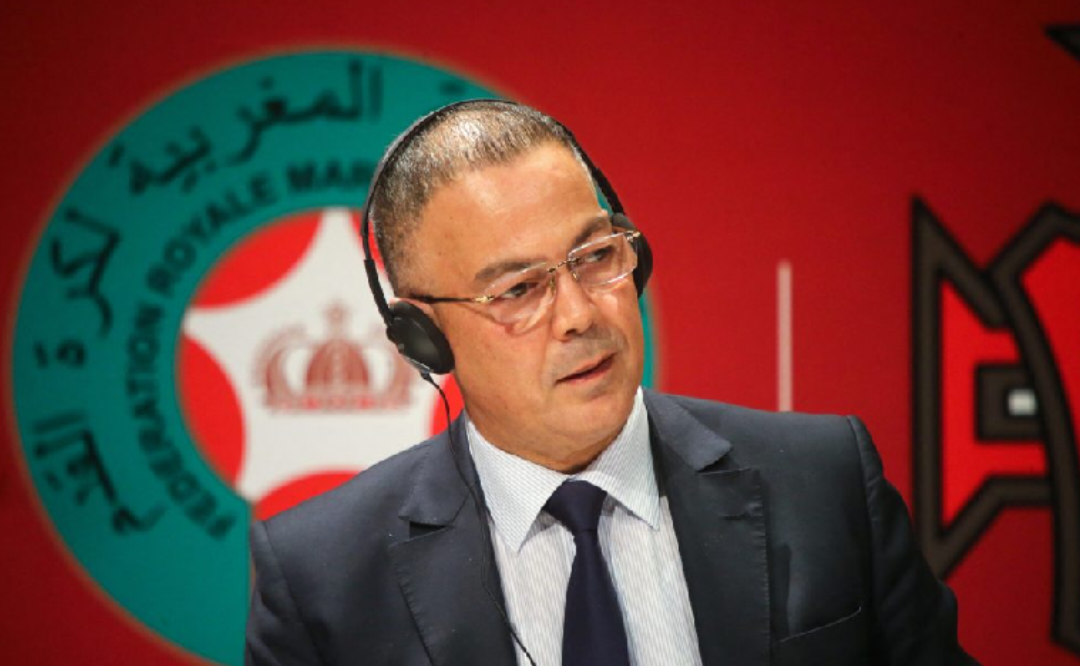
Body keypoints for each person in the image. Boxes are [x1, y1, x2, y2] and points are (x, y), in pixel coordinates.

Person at [245, 100, 977, 666]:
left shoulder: (825, 483)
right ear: (423, 337)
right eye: (519, 290)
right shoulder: (321, 579)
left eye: (596, 257)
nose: (578, 315)